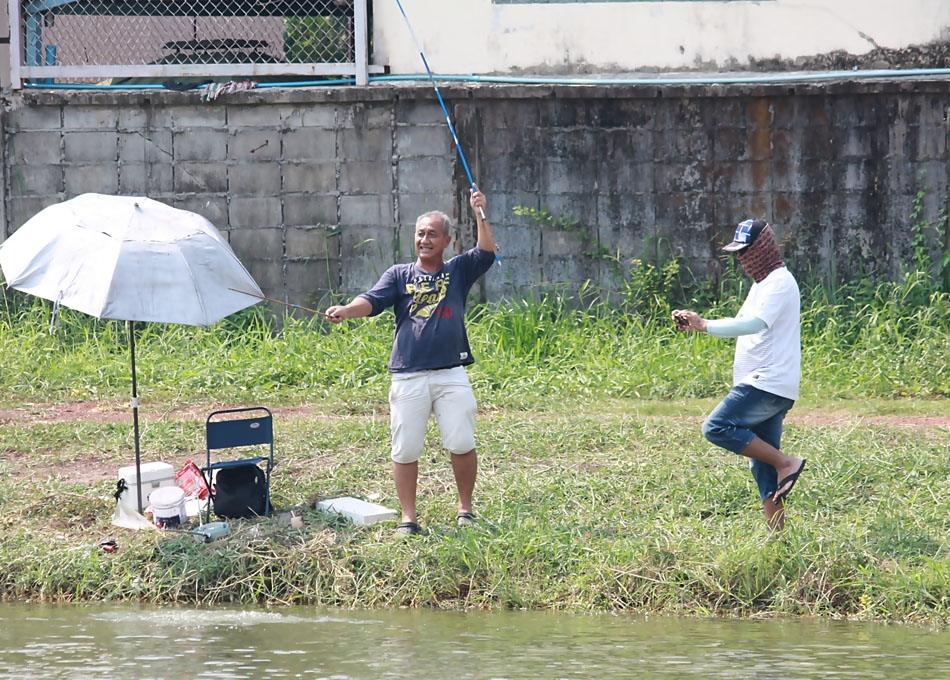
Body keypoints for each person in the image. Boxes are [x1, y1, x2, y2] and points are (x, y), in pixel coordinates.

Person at [325, 189, 496, 536]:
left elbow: (486, 252)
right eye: (420, 233)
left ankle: (465, 510)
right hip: (408, 375)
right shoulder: (399, 275)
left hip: (451, 373)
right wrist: (346, 310)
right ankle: (408, 518)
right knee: (405, 448)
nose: (425, 239)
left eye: (432, 233)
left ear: (447, 240)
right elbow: (371, 301)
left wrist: (480, 213)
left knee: (461, 442)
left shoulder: (458, 271)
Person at [673, 219, 806, 531]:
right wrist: (699, 324)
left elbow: (754, 324)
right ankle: (779, 542)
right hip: (768, 383)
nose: (742, 259)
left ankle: (788, 462)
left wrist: (705, 325)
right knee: (764, 467)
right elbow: (740, 321)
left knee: (716, 427)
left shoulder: (779, 283)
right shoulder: (762, 285)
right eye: (738, 253)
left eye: (746, 251)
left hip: (766, 382)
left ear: (764, 248)